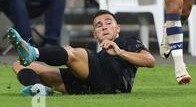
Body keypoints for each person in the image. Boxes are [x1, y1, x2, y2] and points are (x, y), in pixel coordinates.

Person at [8, 9, 155, 96]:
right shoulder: (96, 57)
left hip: (112, 83)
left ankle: (33, 51)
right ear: (95, 35)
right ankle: (37, 88)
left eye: (109, 23)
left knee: (73, 53)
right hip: (86, 85)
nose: (104, 27)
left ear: (118, 28)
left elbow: (150, 61)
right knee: (19, 65)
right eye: (99, 25)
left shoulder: (127, 42)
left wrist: (121, 52)